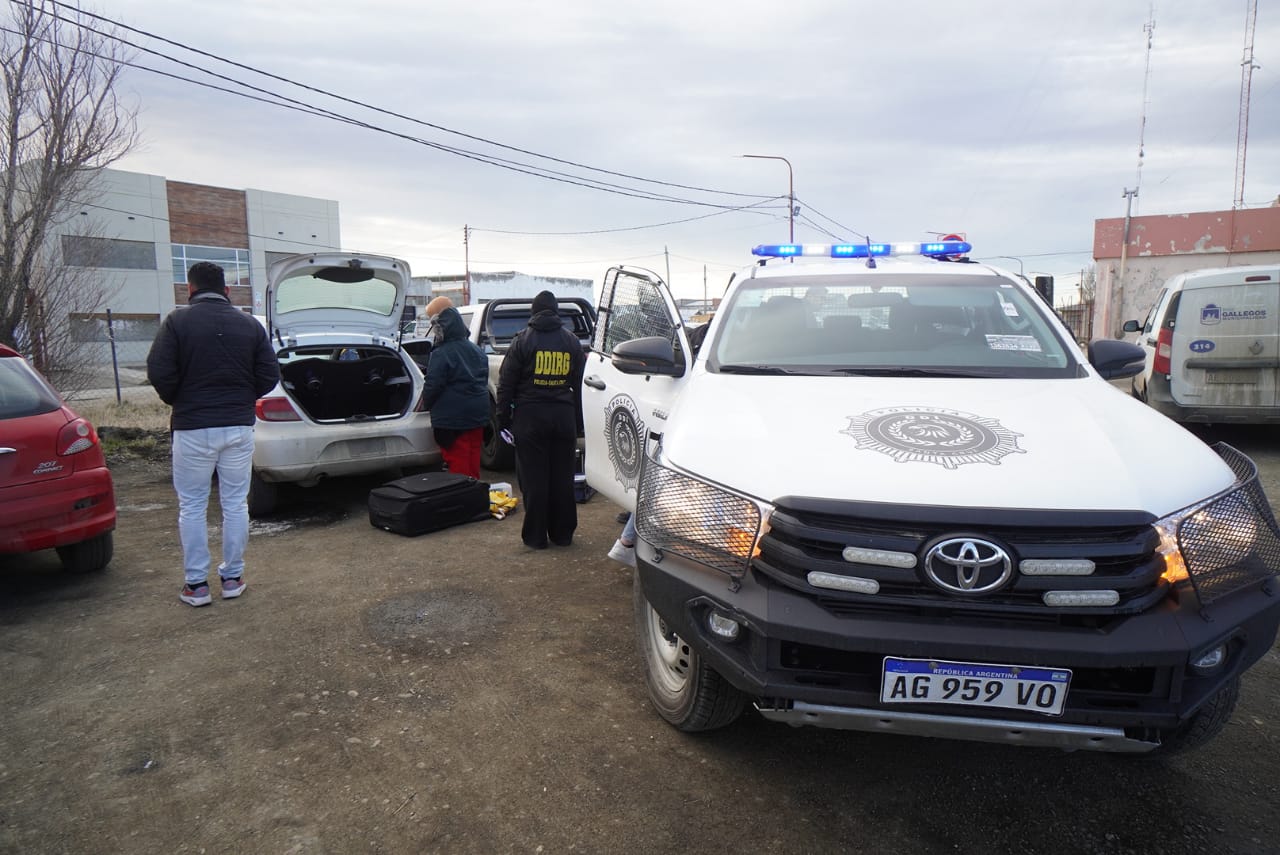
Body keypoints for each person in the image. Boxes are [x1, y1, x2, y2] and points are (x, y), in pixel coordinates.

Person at [146, 261, 280, 607]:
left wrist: (182, 399)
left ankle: (196, 585)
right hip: (237, 425)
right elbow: (268, 374)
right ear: (227, 291)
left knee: (192, 505)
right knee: (235, 503)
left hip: (193, 427)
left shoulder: (176, 322)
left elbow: (160, 372)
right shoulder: (249, 325)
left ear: (189, 289)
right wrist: (240, 397)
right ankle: (233, 578)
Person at [496, 290, 586, 549]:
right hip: (563, 417)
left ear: (533, 312)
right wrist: (579, 423)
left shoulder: (522, 341)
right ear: (556, 311)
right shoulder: (571, 342)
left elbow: (506, 384)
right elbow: (581, 386)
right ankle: (563, 534)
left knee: (535, 480)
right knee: (562, 478)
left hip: (530, 418)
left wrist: (503, 419)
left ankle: (536, 537)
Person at [418, 296, 488, 479]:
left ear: (441, 327)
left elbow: (433, 385)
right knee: (472, 462)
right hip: (478, 417)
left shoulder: (442, 353)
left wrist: (425, 404)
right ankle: (474, 498)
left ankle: (463, 503)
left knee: (458, 467)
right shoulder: (477, 351)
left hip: (454, 422)